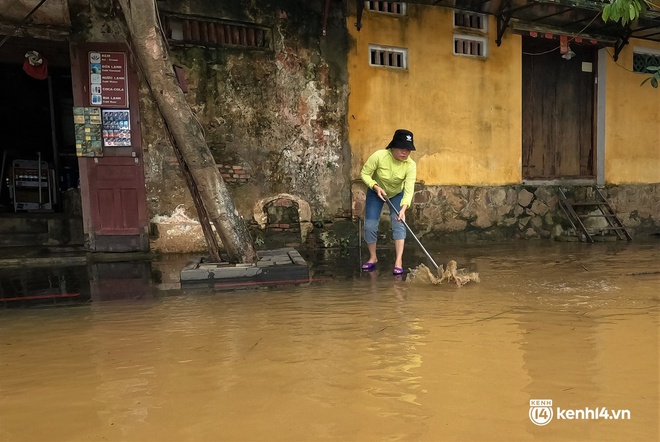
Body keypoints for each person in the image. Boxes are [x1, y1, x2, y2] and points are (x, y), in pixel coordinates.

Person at [360, 129, 417, 275]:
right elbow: (364, 174)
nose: (405, 152)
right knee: (370, 225)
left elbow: (409, 189)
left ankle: (398, 260)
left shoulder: (410, 165)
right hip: (376, 193)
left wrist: (404, 208)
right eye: (402, 148)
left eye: (408, 149)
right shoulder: (379, 156)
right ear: (393, 146)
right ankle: (373, 257)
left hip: (397, 194)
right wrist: (375, 186)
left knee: (399, 223)